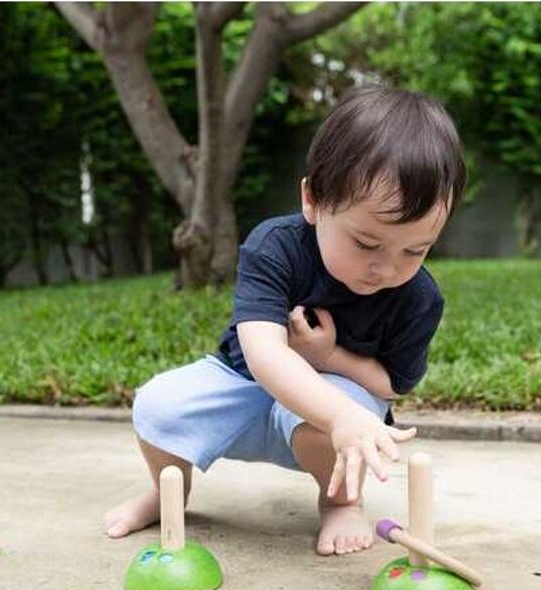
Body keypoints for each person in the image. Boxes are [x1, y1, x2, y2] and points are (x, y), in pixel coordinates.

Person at [105, 86, 467, 555]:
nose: (388, 268)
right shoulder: (274, 246)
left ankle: (339, 502)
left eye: (415, 250)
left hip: (330, 414)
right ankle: (167, 491)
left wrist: (329, 358)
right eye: (366, 244)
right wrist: (338, 413)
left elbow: (392, 384)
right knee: (157, 405)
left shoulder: (419, 297)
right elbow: (263, 354)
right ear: (313, 201)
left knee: (340, 413)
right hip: (244, 388)